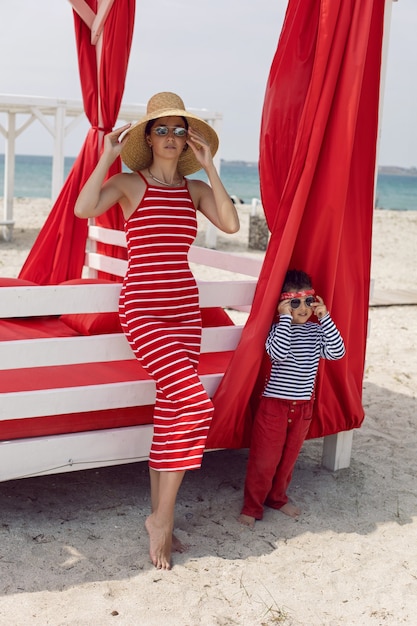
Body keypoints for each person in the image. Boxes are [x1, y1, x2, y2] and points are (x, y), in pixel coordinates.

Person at [74, 92, 239, 569]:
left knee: (173, 409)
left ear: (188, 139)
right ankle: (162, 520)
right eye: (161, 129)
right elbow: (85, 209)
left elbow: (229, 224)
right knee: (194, 402)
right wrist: (106, 154)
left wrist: (211, 170)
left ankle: (159, 514)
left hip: (185, 310)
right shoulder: (130, 182)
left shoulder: (192, 190)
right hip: (144, 309)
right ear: (147, 137)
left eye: (178, 129)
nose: (170, 137)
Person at [239, 269, 345, 529]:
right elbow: (278, 353)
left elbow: (337, 353)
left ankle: (277, 498)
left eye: (308, 301)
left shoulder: (317, 331)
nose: (303, 308)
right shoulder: (276, 329)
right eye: (294, 302)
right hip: (274, 406)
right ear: (283, 305)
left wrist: (325, 317)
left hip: (303, 408)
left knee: (288, 459)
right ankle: (252, 506)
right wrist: (284, 318)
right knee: (265, 459)